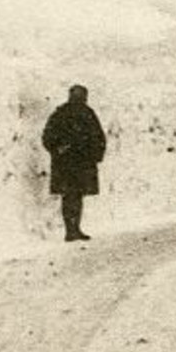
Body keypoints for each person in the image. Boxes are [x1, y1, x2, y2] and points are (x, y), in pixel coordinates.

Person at [41, 84, 106, 242]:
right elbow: (48, 138)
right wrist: (58, 149)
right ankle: (72, 230)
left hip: (73, 163)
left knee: (72, 196)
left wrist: (96, 154)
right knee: (73, 196)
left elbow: (98, 137)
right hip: (73, 163)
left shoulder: (67, 113)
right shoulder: (74, 113)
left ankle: (73, 229)